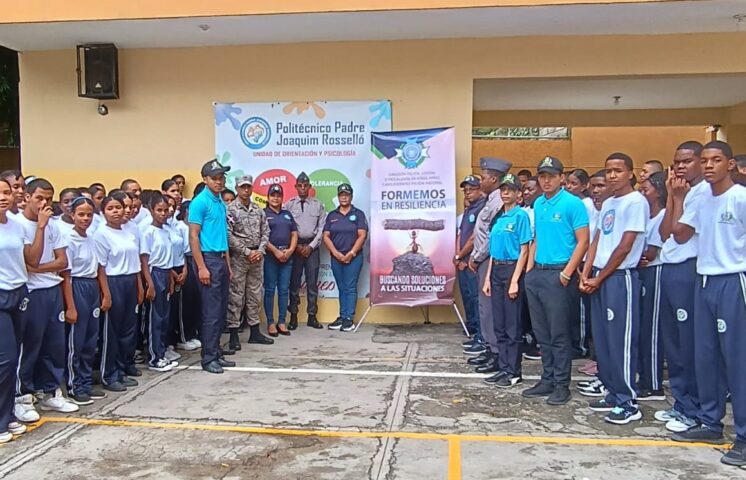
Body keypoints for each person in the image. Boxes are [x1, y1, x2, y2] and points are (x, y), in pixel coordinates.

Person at [672, 141, 746, 467]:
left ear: (730, 164)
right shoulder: (701, 200)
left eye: (717, 160)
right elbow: (679, 235)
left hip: (732, 280)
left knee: (737, 360)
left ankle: (743, 437)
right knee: (706, 357)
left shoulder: (740, 198)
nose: (710, 165)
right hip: (704, 281)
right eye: (705, 160)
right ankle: (711, 423)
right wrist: (676, 198)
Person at [581, 152, 649, 424]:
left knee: (621, 341)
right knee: (604, 341)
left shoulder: (635, 202)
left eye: (618, 170)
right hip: (599, 276)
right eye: (608, 170)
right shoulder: (608, 202)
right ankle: (612, 391)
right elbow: (597, 239)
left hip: (620, 278)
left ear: (630, 173)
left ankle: (628, 401)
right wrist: (586, 272)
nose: (611, 175)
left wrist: (601, 277)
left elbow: (625, 245)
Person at [522, 156, 589, 406]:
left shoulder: (573, 204)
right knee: (542, 332)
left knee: (559, 332)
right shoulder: (539, 203)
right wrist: (530, 272)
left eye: (551, 175)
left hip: (559, 272)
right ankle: (547, 378)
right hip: (538, 272)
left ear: (562, 177)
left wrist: (567, 273)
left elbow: (583, 240)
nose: (546, 180)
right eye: (542, 176)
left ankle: (562, 384)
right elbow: (536, 238)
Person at [653, 140, 707, 434]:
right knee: (673, 343)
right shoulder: (680, 192)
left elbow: (681, 234)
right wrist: (673, 199)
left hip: (690, 270)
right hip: (670, 268)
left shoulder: (702, 194)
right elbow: (664, 233)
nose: (681, 167)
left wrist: (679, 198)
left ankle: (695, 408)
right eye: (677, 162)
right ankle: (681, 402)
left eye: (687, 161)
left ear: (700, 161)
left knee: (689, 344)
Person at [14, 179, 78, 414]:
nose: (44, 203)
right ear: (27, 197)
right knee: (30, 345)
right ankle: (23, 396)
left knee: (54, 344)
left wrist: (39, 268)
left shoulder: (55, 226)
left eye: (48, 199)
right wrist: (40, 227)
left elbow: (62, 261)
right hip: (31, 293)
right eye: (39, 198)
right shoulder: (19, 224)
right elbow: (30, 258)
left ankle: (50, 391)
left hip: (53, 289)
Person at [0, 177, 45, 438]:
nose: (4, 197)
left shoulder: (16, 225)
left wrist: (40, 228)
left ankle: (7, 414)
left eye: (7, 192)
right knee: (4, 359)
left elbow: (32, 260)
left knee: (15, 356)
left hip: (20, 293)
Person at [481, 174, 532, 388]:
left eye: (510, 190)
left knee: (512, 326)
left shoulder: (521, 216)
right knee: (499, 325)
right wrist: (487, 279)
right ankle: (503, 368)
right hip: (497, 269)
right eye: (503, 189)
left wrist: (515, 280)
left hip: (512, 268)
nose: (505, 193)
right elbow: (493, 252)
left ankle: (514, 371)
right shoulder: (500, 219)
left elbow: (524, 249)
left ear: (519, 195)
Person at [60, 196, 110, 405]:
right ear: (72, 215)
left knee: (91, 339)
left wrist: (105, 293)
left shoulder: (91, 238)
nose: (86, 218)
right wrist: (70, 306)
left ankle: (86, 381)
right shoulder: (68, 240)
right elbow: (66, 275)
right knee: (76, 341)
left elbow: (99, 268)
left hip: (91, 287)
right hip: (77, 287)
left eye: (89, 215)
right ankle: (74, 385)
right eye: (81, 214)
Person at [188, 159, 236, 374]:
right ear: (205, 179)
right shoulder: (200, 202)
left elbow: (223, 237)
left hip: (220, 259)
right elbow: (194, 236)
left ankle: (216, 352)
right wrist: (201, 267)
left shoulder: (219, 202)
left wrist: (228, 265)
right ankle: (208, 359)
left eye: (221, 178)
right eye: (215, 178)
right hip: (207, 259)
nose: (219, 182)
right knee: (211, 312)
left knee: (221, 310)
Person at [466, 157, 512, 368]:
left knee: (489, 308)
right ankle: (489, 347)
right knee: (484, 308)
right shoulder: (490, 199)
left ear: (493, 178)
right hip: (484, 259)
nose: (480, 180)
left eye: (483, 177)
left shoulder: (498, 201)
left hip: (489, 260)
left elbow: (491, 236)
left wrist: (476, 257)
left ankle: (495, 352)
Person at [94, 193, 143, 392]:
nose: (116, 212)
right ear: (103, 212)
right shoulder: (101, 234)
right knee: (111, 332)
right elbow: (101, 268)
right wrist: (106, 294)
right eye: (111, 208)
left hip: (130, 280)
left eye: (119, 207)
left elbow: (136, 263)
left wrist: (139, 286)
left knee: (127, 330)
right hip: (113, 282)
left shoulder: (128, 231)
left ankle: (122, 369)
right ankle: (109, 374)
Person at [226, 175, 273, 349]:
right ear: (237, 189)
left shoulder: (258, 210)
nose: (246, 190)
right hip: (239, 257)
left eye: (248, 187)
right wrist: (246, 251)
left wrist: (260, 250)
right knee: (236, 296)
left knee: (254, 294)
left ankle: (255, 332)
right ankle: (233, 334)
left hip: (257, 257)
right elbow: (228, 235)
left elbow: (266, 232)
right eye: (242, 187)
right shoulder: (230, 210)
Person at [636, 171, 667, 401]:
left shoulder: (662, 216)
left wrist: (638, 256)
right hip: (644, 272)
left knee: (653, 330)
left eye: (646, 190)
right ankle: (644, 376)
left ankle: (654, 384)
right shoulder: (648, 217)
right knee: (643, 329)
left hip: (656, 272)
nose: (642, 193)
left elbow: (649, 252)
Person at [140, 193, 178, 372]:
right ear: (151, 210)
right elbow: (145, 260)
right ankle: (154, 357)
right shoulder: (148, 232)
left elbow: (168, 259)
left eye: (165, 210)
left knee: (164, 317)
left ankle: (161, 353)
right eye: (159, 210)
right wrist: (150, 283)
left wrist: (170, 279)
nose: (163, 213)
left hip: (165, 273)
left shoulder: (166, 230)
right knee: (154, 317)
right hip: (154, 274)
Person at [323, 183, 368, 332]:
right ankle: (342, 316)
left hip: (353, 258)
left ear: (351, 197)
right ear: (338, 196)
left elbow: (362, 235)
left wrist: (351, 253)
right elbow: (326, 236)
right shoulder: (332, 215)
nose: (344, 197)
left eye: (346, 195)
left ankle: (349, 318)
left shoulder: (358, 214)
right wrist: (336, 253)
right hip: (336, 257)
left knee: (350, 287)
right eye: (341, 194)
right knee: (341, 287)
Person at [285, 172, 326, 330]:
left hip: (312, 247)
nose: (303, 188)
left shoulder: (318, 205)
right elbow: (285, 228)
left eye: (305, 185)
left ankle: (312, 316)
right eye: (300, 186)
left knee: (312, 283)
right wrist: (295, 246)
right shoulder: (289, 205)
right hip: (295, 247)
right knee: (294, 284)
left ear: (309, 187)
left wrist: (311, 246)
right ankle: (293, 316)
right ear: (296, 187)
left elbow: (322, 228)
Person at [456, 175, 486, 351]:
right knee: (468, 296)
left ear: (480, 189)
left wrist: (461, 256)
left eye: (471, 189)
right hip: (463, 261)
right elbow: (462, 234)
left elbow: (475, 238)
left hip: (474, 261)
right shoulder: (469, 209)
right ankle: (474, 331)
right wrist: (458, 257)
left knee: (477, 299)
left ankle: (482, 337)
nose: (468, 193)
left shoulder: (482, 208)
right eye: (465, 190)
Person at [263, 184, 298, 337]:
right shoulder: (263, 213)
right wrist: (276, 251)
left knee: (284, 290)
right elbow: (261, 236)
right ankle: (271, 322)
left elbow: (294, 233)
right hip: (271, 255)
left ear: (282, 197)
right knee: (270, 290)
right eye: (272, 195)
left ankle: (282, 322)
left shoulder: (287, 214)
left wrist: (290, 250)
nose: (275, 198)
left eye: (278, 195)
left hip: (287, 256)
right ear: (268, 197)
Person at [174, 200, 201, 351]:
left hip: (195, 260)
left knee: (194, 301)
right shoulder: (180, 227)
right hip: (186, 261)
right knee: (185, 302)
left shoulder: (195, 227)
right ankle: (183, 337)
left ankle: (192, 333)